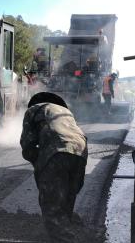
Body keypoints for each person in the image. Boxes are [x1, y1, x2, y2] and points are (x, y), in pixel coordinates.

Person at [20, 92, 88, 243]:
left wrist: (40, 164)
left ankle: (67, 239)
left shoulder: (33, 110)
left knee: (52, 209)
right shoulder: (66, 112)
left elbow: (27, 146)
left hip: (57, 152)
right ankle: (73, 231)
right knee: (66, 201)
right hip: (81, 152)